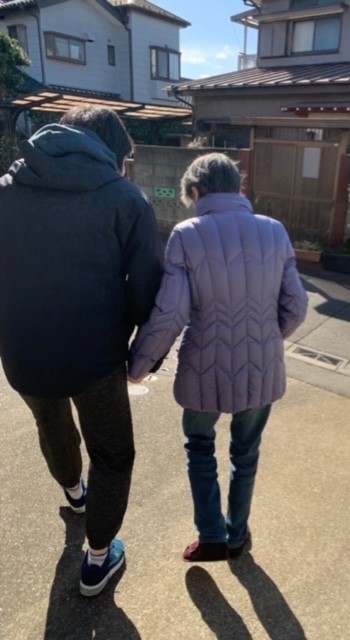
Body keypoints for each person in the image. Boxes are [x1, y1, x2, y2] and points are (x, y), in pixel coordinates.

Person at [0, 106, 162, 595]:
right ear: (112, 150)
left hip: (22, 348)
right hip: (96, 356)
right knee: (112, 453)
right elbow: (145, 286)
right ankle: (97, 559)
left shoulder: (7, 188)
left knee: (50, 425)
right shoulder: (125, 199)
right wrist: (140, 354)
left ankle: (74, 494)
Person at [129, 152, 308, 561]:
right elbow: (297, 305)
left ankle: (211, 537)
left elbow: (171, 313)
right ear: (238, 187)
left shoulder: (186, 234)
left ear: (195, 191)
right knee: (246, 454)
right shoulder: (275, 230)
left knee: (200, 447)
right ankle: (237, 534)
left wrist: (140, 365)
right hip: (261, 368)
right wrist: (264, 339)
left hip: (202, 368)